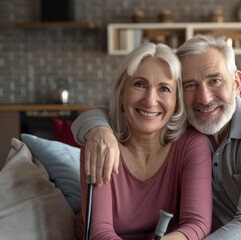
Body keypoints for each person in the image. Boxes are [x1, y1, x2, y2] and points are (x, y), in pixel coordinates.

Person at [72, 36, 241, 240]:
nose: (204, 98)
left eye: (215, 81)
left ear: (236, 83)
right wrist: (97, 129)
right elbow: (117, 112)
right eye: (190, 85)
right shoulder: (185, 125)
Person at [75, 42, 212, 240]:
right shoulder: (101, 143)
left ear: (177, 101)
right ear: (122, 93)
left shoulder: (191, 145)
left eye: (164, 89)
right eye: (139, 84)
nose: (150, 100)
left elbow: (197, 223)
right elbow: (99, 231)